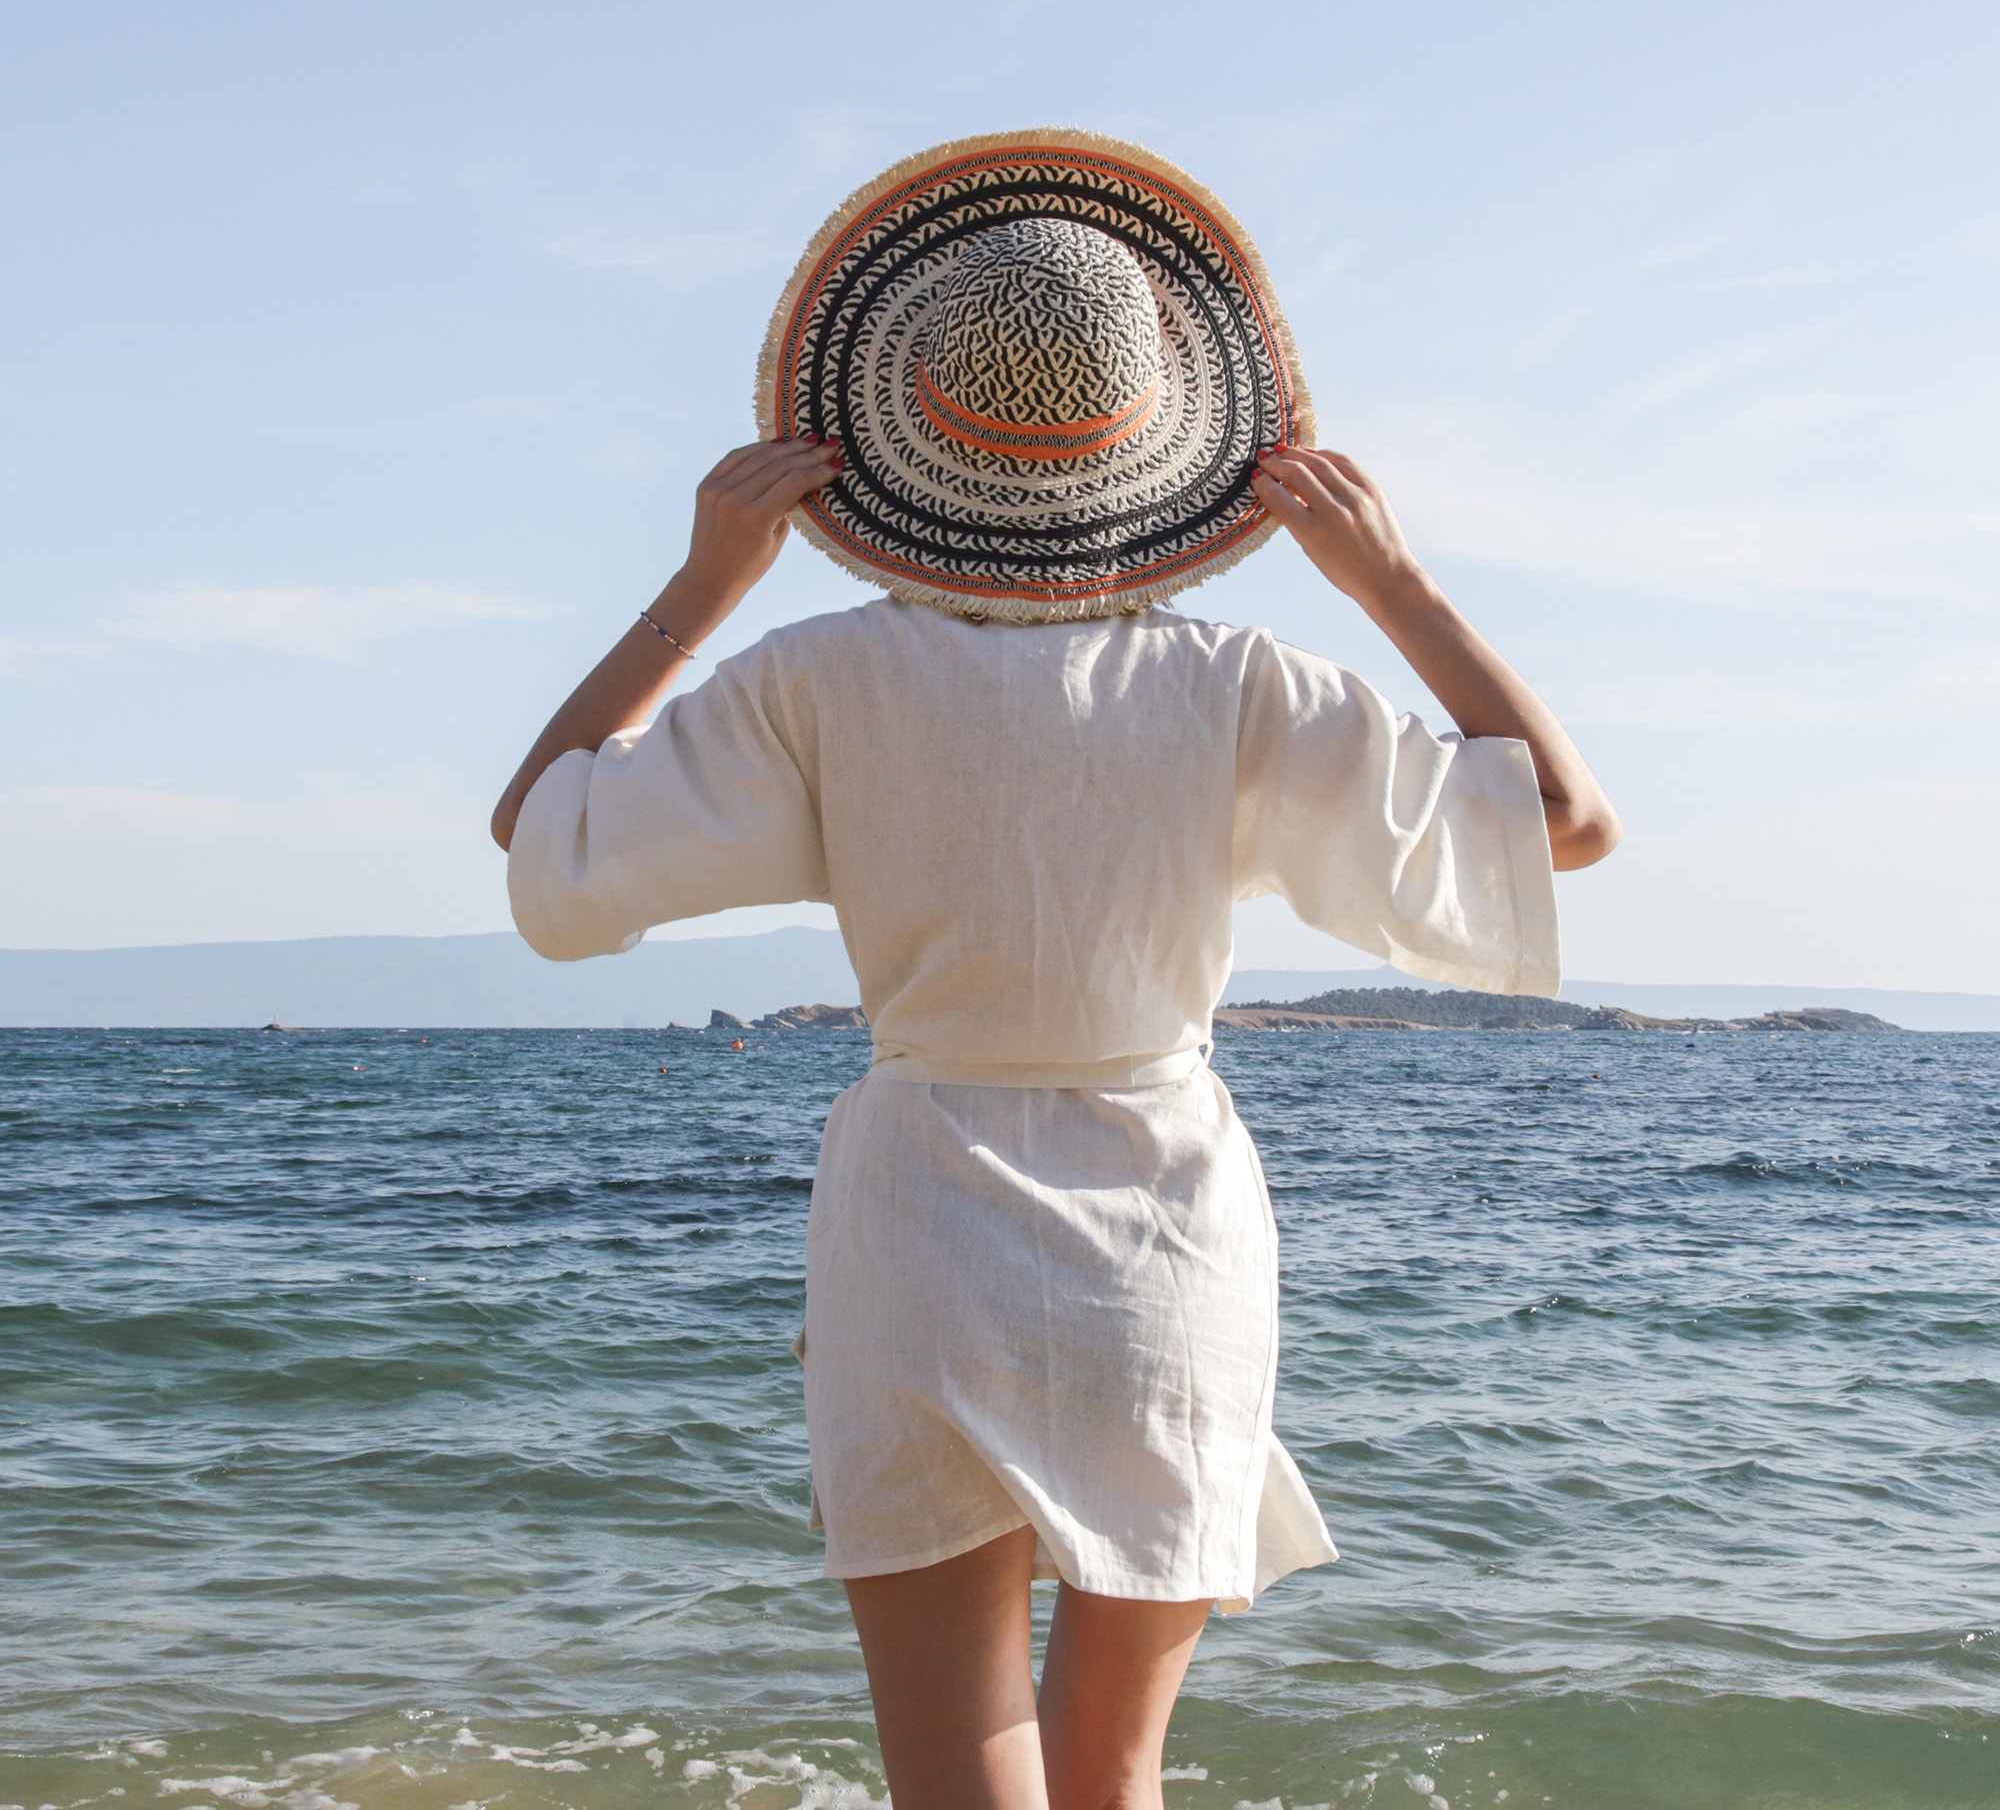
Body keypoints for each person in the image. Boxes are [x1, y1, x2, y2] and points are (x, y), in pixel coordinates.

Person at [492, 133, 1618, 1810]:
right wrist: (1394, 581)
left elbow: (545, 839)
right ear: (1158, 439)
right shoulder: (1240, 684)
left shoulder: (817, 680)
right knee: (1116, 1777)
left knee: (960, 1779)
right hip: (1161, 1218)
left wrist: (704, 580)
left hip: (918, 1211)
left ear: (904, 426)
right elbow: (1567, 826)